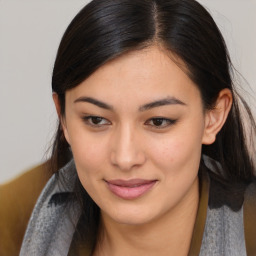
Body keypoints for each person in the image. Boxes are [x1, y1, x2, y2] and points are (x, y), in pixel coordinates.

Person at [3, 0, 256, 255]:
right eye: (96, 120)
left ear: (213, 116)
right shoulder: (13, 218)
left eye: (158, 121)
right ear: (63, 117)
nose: (125, 158)